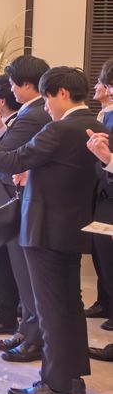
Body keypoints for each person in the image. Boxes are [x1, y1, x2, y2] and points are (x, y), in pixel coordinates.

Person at [0, 67, 106, 394]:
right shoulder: (96, 126)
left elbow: (12, 160)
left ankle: (54, 385)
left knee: (51, 310)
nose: (47, 106)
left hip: (45, 229)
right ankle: (72, 377)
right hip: (73, 229)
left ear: (62, 93)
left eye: (49, 97)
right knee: (70, 307)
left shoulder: (59, 129)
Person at [0, 60, 52, 361]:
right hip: (19, 197)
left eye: (15, 84)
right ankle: (26, 331)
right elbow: (13, 147)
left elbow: (4, 155)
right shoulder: (31, 112)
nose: (12, 90)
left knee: (27, 278)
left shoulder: (34, 114)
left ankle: (33, 337)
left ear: (28, 85)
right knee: (21, 274)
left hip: (24, 200)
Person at [85, 60, 113, 326]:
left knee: (108, 255)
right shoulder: (103, 114)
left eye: (101, 82)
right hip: (99, 191)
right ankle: (104, 302)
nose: (96, 86)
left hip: (110, 192)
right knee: (100, 253)